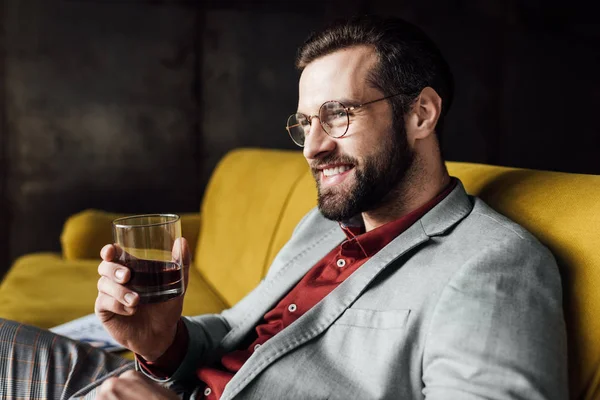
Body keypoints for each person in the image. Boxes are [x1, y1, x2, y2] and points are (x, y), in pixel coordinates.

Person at [0, 14, 567, 400]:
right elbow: (236, 333)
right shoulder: (322, 226)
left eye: (340, 115)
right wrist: (161, 342)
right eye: (306, 123)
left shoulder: (492, 266)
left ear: (420, 115)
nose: (316, 147)